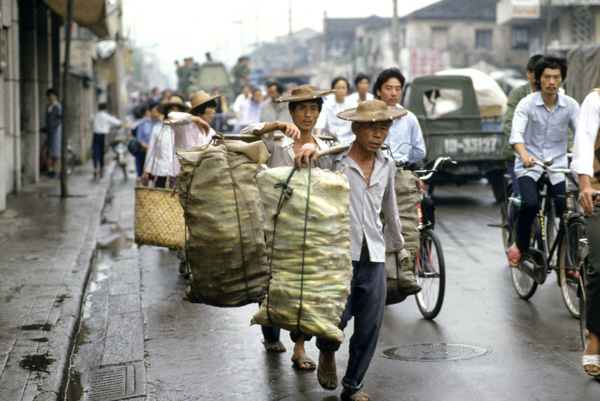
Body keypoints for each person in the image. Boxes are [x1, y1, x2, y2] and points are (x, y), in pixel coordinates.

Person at [294, 99, 407, 401]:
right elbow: (305, 182)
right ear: (355, 128)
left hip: (374, 256)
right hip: (338, 254)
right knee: (335, 319)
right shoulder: (333, 160)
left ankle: (353, 384)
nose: (377, 134)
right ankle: (327, 351)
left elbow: (390, 210)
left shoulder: (387, 165)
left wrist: (400, 250)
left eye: (383, 128)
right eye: (371, 127)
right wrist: (307, 153)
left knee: (370, 325)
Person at [240, 84, 334, 368]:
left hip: (310, 227)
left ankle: (300, 346)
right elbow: (246, 135)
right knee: (272, 282)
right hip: (274, 225)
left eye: (313, 108)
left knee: (305, 285)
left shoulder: (325, 147)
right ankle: (270, 332)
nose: (308, 114)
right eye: (302, 108)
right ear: (291, 111)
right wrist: (277, 125)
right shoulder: (275, 141)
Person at [507, 54, 579, 269]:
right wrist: (524, 155)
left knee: (568, 213)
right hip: (530, 166)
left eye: (556, 77)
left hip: (557, 167)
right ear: (538, 79)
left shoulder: (570, 105)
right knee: (529, 203)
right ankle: (520, 246)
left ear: (562, 79)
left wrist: (578, 150)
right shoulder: (526, 104)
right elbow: (516, 136)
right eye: (547, 77)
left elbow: (583, 133)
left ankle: (572, 262)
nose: (551, 82)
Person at [571, 88, 600, 377]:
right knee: (598, 267)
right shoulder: (596, 100)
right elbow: (584, 144)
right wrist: (585, 186)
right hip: (599, 192)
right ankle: (595, 336)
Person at [502, 54, 543, 202]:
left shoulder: (555, 96)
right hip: (519, 155)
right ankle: (514, 223)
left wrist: (570, 147)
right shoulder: (518, 94)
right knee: (523, 199)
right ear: (529, 74)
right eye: (538, 74)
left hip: (544, 155)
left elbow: (565, 128)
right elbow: (509, 125)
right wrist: (520, 150)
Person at [374, 67, 426, 165]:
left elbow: (420, 151)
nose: (394, 93)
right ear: (378, 91)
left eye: (398, 89)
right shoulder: (368, 117)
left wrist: (402, 159)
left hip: (400, 170)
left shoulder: (409, 118)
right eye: (389, 89)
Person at [91, 103, 129, 179]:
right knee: (102, 152)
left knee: (95, 152)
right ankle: (102, 167)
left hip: (95, 135)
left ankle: (95, 168)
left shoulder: (95, 116)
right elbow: (117, 122)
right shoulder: (106, 116)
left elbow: (91, 125)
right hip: (103, 136)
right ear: (106, 109)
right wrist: (127, 126)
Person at [315, 77, 355, 143]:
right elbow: (320, 122)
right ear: (333, 89)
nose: (341, 90)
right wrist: (317, 139)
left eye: (343, 88)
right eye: (338, 88)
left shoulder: (353, 105)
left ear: (347, 89)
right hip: (330, 141)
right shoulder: (326, 104)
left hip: (349, 141)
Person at [135, 102, 164, 180]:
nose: (156, 114)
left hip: (157, 155)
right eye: (154, 111)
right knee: (143, 177)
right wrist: (148, 147)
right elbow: (139, 138)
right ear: (149, 111)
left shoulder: (162, 124)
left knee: (155, 177)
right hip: (143, 153)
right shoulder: (143, 123)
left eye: (158, 112)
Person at [45, 88, 62, 179]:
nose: (50, 97)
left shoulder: (58, 107)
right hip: (50, 132)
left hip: (56, 132)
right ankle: (53, 170)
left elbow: (60, 119)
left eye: (52, 96)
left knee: (57, 152)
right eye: (49, 96)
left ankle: (57, 171)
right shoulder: (49, 106)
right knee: (51, 152)